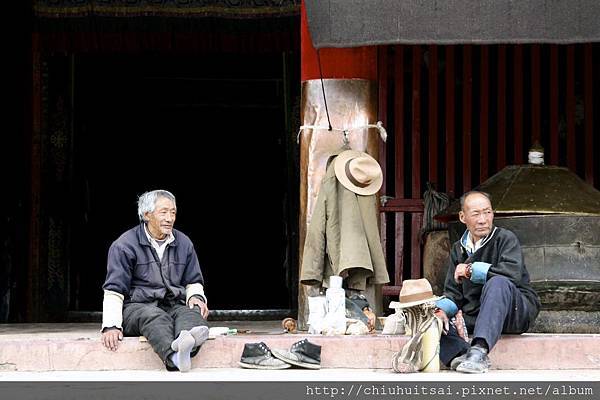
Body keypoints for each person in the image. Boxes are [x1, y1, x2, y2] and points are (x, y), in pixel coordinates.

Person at [100, 189, 209, 372]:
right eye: (163, 212)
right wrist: (111, 325)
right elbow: (114, 289)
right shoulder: (124, 245)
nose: (170, 218)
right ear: (146, 215)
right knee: (155, 317)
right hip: (136, 308)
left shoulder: (183, 242)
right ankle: (174, 356)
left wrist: (196, 296)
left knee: (191, 313)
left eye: (173, 212)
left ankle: (185, 339)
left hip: (172, 303)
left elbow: (193, 281)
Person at [434, 191, 540, 373]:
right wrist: (441, 311)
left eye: (487, 212)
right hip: (478, 315)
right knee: (432, 317)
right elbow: (453, 293)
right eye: (476, 214)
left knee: (498, 282)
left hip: (513, 312)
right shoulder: (458, 249)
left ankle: (479, 350)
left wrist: (470, 270)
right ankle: (461, 354)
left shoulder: (505, 239)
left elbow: (512, 275)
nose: (483, 219)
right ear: (463, 217)